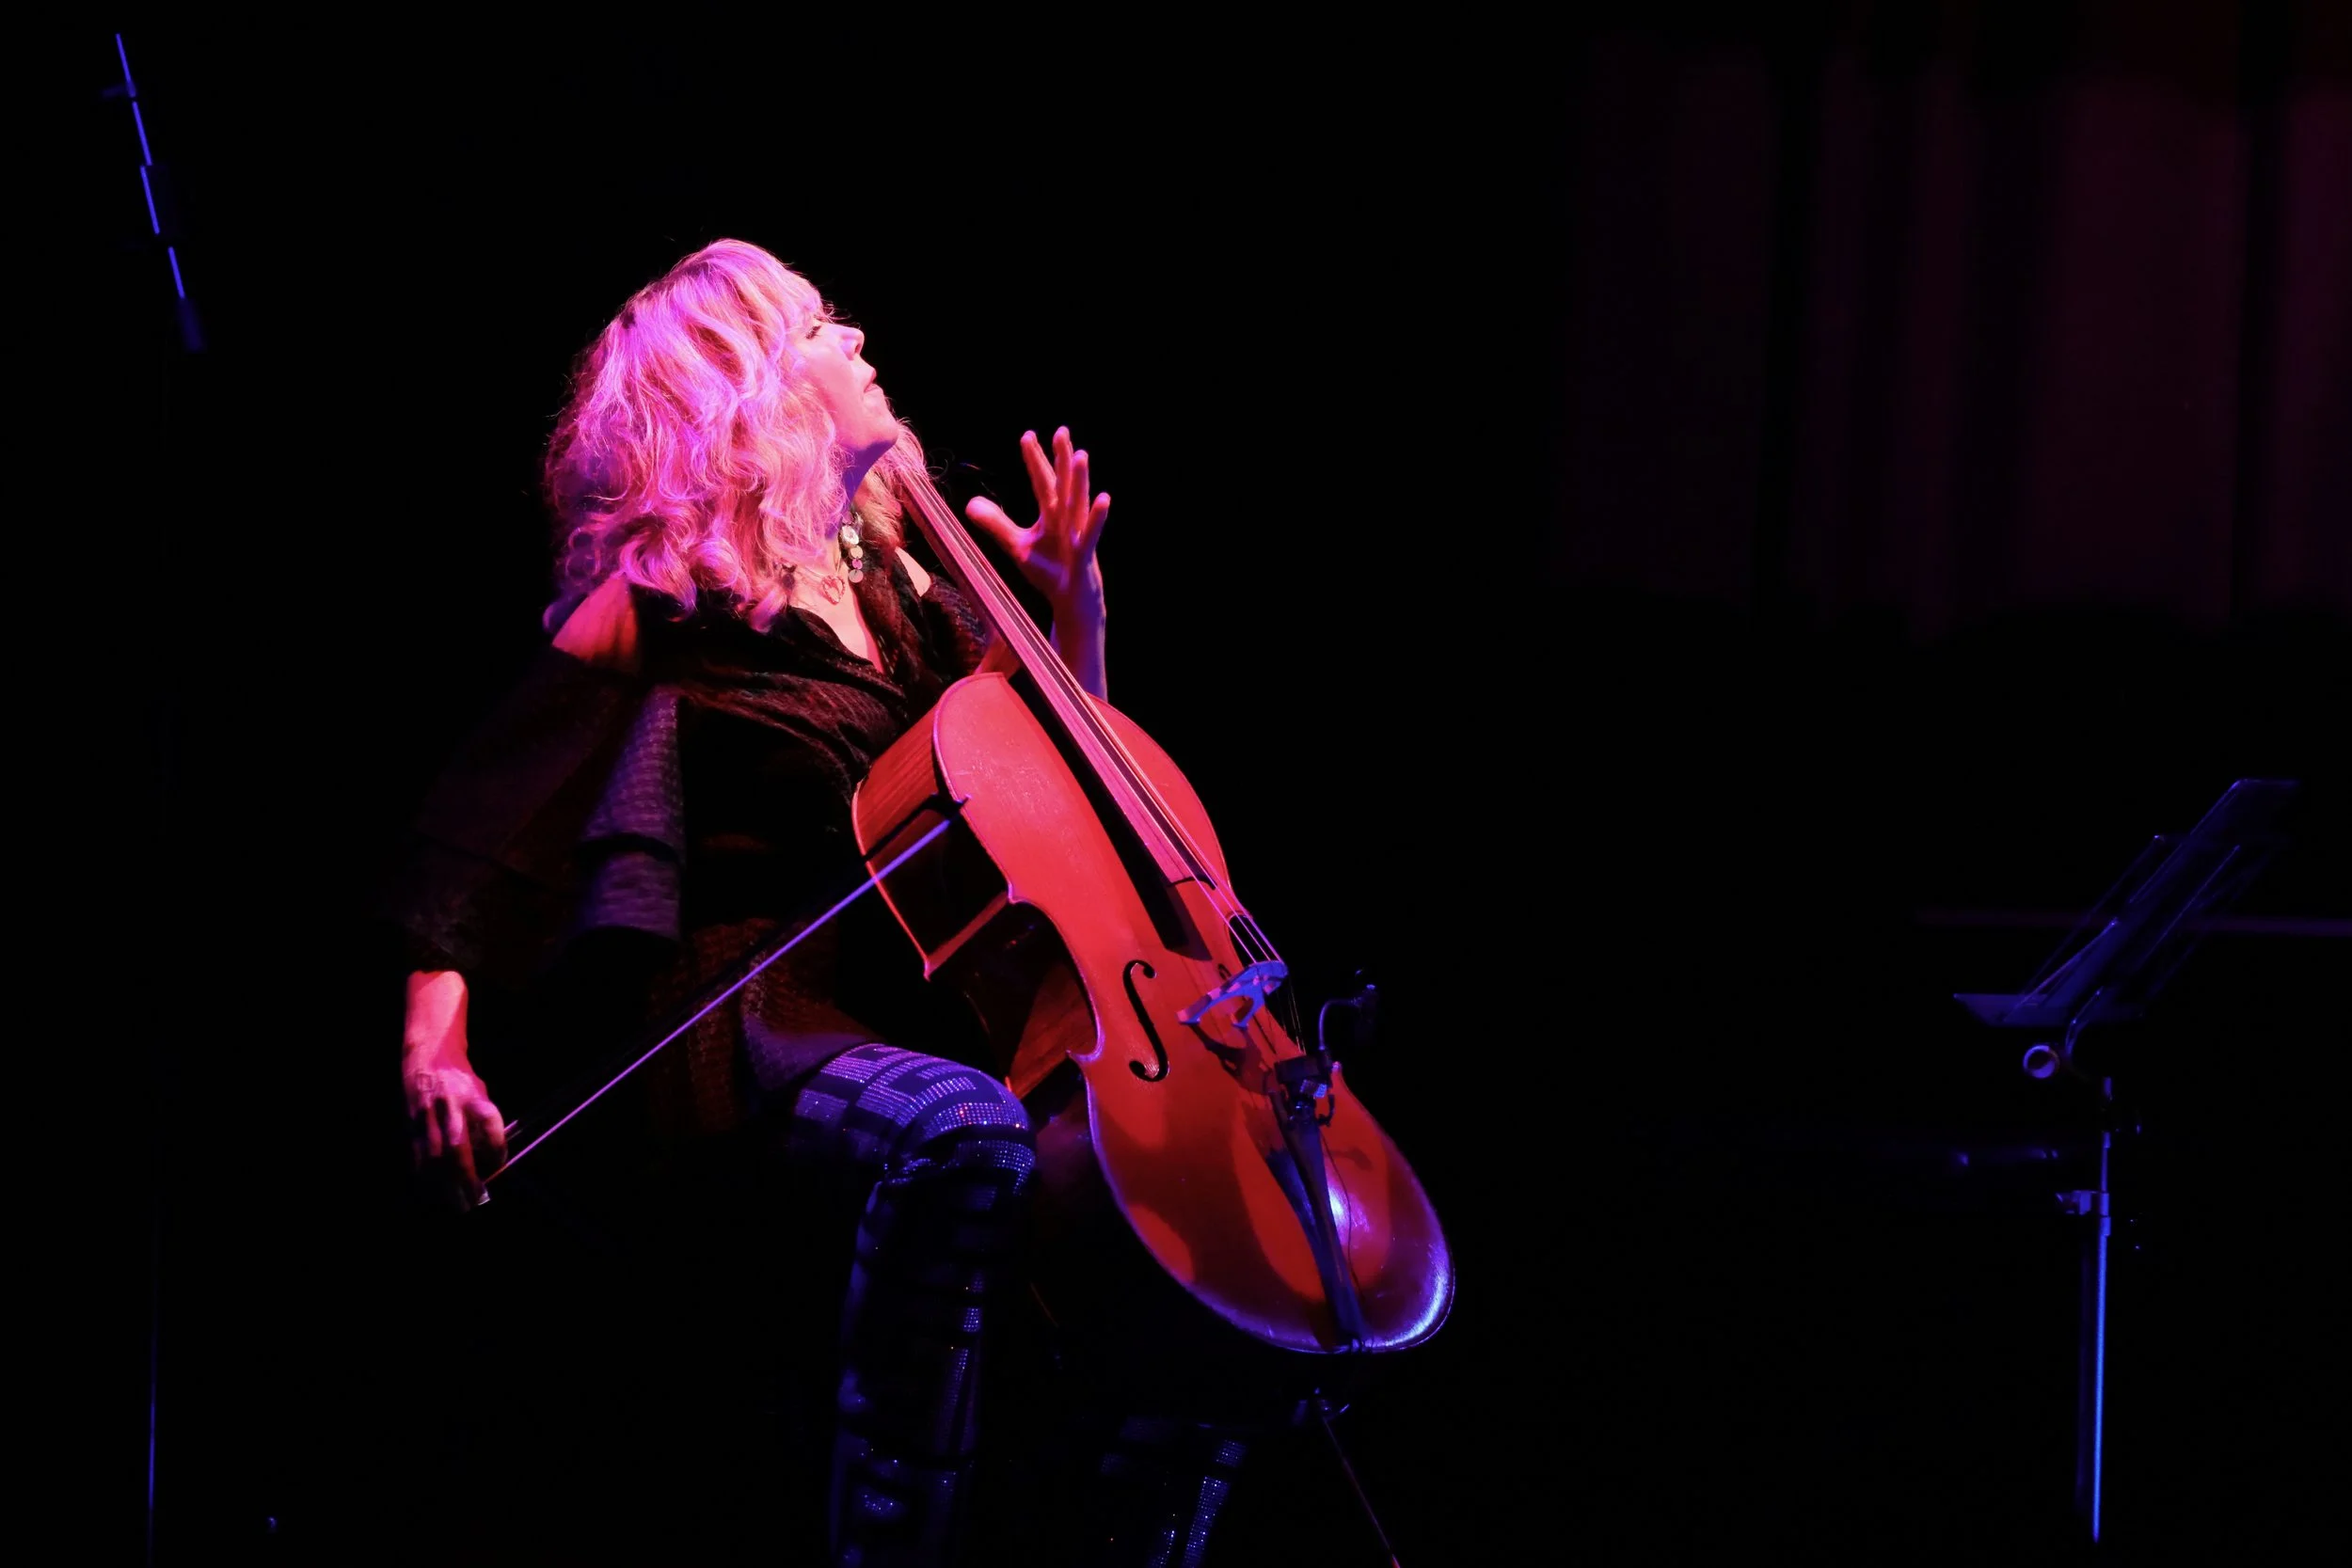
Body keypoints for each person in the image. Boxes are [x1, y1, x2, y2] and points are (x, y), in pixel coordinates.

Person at [386, 239, 1249, 1566]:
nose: (856, 342)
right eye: (818, 330)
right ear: (750, 392)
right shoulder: (671, 588)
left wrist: (1075, 615)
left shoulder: (913, 587)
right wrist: (433, 1043)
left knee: (1179, 1237)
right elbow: (483, 830)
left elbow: (1069, 789)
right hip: (751, 1017)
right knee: (960, 1135)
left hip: (921, 1009)